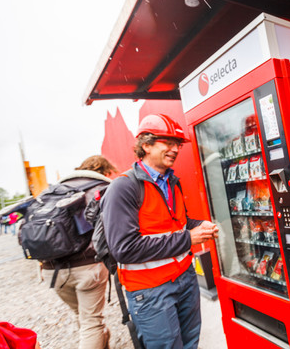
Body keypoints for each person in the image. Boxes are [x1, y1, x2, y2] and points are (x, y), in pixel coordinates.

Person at [101, 114, 219, 349]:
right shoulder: (123, 187)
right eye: (168, 142)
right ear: (145, 145)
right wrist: (188, 238)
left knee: (190, 343)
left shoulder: (172, 181)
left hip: (185, 279)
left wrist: (198, 226)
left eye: (178, 144)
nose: (175, 149)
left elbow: (178, 224)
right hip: (150, 291)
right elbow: (125, 249)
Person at [42, 155, 118, 349]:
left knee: (82, 317)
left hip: (52, 269)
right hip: (87, 267)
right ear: (103, 170)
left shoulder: (54, 190)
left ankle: (103, 341)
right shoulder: (100, 187)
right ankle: (98, 338)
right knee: (91, 322)